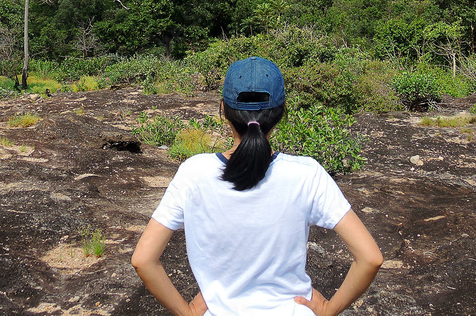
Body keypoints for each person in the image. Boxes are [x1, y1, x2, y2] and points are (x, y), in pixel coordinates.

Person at [132, 56, 383, 315]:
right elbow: (370, 258)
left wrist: (186, 311)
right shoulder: (307, 174)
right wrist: (329, 309)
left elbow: (143, 260)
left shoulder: (193, 173)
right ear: (281, 113)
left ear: (223, 111)